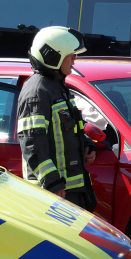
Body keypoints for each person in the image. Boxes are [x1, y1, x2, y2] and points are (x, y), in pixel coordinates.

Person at [16, 26, 97, 209]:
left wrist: (87, 145)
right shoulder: (37, 92)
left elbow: (69, 129)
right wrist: (52, 182)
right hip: (52, 192)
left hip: (69, 189)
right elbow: (32, 143)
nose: (75, 60)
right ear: (53, 56)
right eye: (71, 55)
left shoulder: (57, 87)